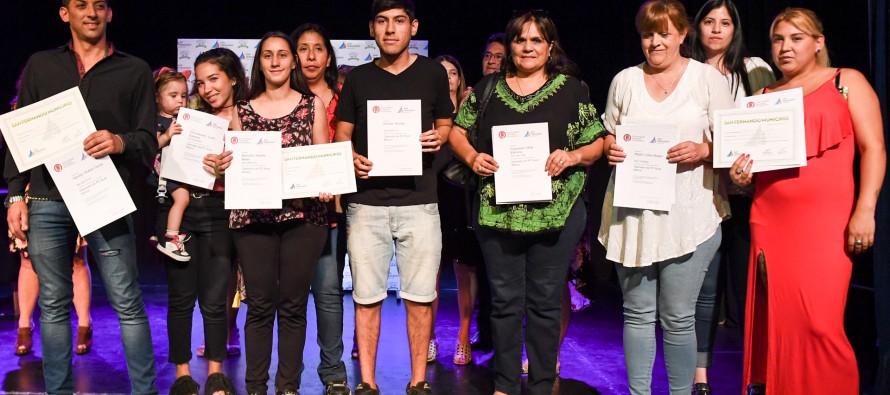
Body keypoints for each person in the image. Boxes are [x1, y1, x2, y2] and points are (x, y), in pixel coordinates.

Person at [4, 0, 159, 393]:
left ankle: (145, 391)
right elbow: (21, 136)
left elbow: (146, 140)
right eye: (81, 5)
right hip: (47, 199)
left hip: (104, 198)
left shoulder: (135, 69)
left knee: (127, 301)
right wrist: (14, 196)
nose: (91, 12)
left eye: (99, 5)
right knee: (53, 306)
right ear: (64, 13)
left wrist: (119, 140)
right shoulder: (42, 64)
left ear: (110, 13)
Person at [449, 10, 605, 395]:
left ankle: (538, 385)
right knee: (503, 303)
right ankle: (503, 385)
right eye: (521, 40)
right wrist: (472, 157)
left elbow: (598, 140)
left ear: (550, 46)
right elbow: (456, 131)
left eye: (537, 40)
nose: (528, 47)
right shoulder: (487, 88)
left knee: (545, 303)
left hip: (557, 215)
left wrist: (572, 156)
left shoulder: (570, 89)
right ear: (510, 46)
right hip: (498, 214)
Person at [731, 8, 885, 395]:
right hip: (769, 221)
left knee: (820, 324)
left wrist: (865, 209)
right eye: (778, 39)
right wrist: (741, 176)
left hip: (826, 225)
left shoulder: (844, 82)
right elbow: (752, 171)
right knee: (783, 324)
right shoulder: (763, 98)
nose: (785, 47)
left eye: (796, 38)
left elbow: (875, 148)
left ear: (818, 43)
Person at [597, 1, 735, 394]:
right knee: (637, 314)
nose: (654, 42)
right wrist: (611, 147)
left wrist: (704, 150)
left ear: (682, 33)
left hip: (689, 215)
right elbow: (610, 133)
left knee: (678, 317)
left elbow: (730, 141)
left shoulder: (707, 79)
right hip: (633, 213)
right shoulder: (624, 80)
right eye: (647, 34)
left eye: (663, 33)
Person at [333, 1, 453, 394]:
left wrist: (441, 135)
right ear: (371, 28)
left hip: (420, 201)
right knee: (367, 298)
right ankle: (366, 382)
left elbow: (446, 122)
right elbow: (342, 134)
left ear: (413, 26)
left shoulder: (433, 73)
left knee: (420, 298)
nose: (390, 29)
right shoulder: (359, 79)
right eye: (382, 22)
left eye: (399, 21)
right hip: (367, 204)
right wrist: (349, 157)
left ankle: (418, 381)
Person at [224, 31, 331, 395]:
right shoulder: (240, 110)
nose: (275, 61)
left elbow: (323, 157)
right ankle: (255, 386)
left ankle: (288, 387)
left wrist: (326, 181)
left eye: (282, 54)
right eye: (267, 55)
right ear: (259, 62)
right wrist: (223, 164)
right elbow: (233, 167)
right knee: (259, 305)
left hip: (303, 219)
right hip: (254, 220)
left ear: (293, 61)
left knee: (292, 305)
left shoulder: (311, 104)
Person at [687, 1, 776, 393]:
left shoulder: (755, 69)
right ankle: (699, 377)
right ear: (697, 27)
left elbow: (773, 125)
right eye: (709, 21)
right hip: (699, 194)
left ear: (735, 28)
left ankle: (756, 376)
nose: (717, 29)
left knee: (748, 290)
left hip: (745, 196)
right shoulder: (685, 71)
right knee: (702, 291)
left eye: (725, 22)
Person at [158, 48, 244, 387]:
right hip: (183, 210)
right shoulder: (188, 115)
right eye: (201, 82)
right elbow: (160, 158)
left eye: (214, 79)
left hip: (220, 213)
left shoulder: (249, 114)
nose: (206, 88)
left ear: (233, 79)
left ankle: (215, 372)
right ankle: (182, 374)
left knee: (214, 299)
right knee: (180, 299)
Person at [291, 23, 352, 395]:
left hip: (334, 211)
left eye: (318, 49)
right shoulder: (283, 99)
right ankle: (288, 376)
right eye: (303, 48)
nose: (311, 56)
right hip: (292, 211)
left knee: (328, 292)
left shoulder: (345, 98)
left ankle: (333, 373)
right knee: (292, 297)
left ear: (328, 56)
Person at [429, 54, 475, 365]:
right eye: (440, 73)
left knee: (464, 271)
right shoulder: (424, 110)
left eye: (453, 73)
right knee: (428, 273)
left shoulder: (471, 112)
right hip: (430, 197)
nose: (447, 78)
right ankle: (428, 337)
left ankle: (462, 336)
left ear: (460, 79)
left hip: (463, 198)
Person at [470, 32, 505, 354]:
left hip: (516, 197)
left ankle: (507, 341)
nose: (491, 62)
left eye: (498, 56)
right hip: (477, 194)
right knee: (481, 270)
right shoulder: (476, 95)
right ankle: (487, 335)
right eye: (487, 56)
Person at [153, 68, 191, 262]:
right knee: (182, 198)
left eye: (184, 96)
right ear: (158, 98)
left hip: (177, 168)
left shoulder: (183, 117)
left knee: (172, 203)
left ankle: (161, 231)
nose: (180, 100)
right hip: (164, 171)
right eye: (173, 95)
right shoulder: (156, 121)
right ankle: (171, 238)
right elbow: (154, 145)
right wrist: (168, 135)